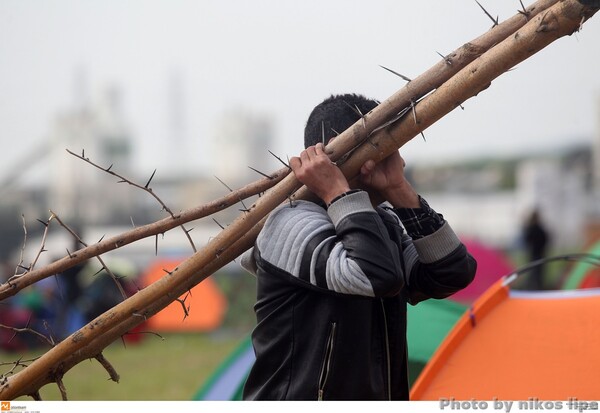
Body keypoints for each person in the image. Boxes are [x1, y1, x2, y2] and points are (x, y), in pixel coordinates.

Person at [241, 93, 477, 400]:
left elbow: (452, 273)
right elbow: (375, 276)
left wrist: (398, 189)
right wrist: (338, 189)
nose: (399, 161)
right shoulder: (289, 224)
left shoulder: (381, 222)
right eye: (385, 151)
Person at [522, 208, 550, 290]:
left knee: (535, 272)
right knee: (537, 273)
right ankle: (537, 287)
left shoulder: (532, 229)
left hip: (535, 254)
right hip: (538, 254)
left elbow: (527, 240)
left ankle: (535, 287)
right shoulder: (538, 229)